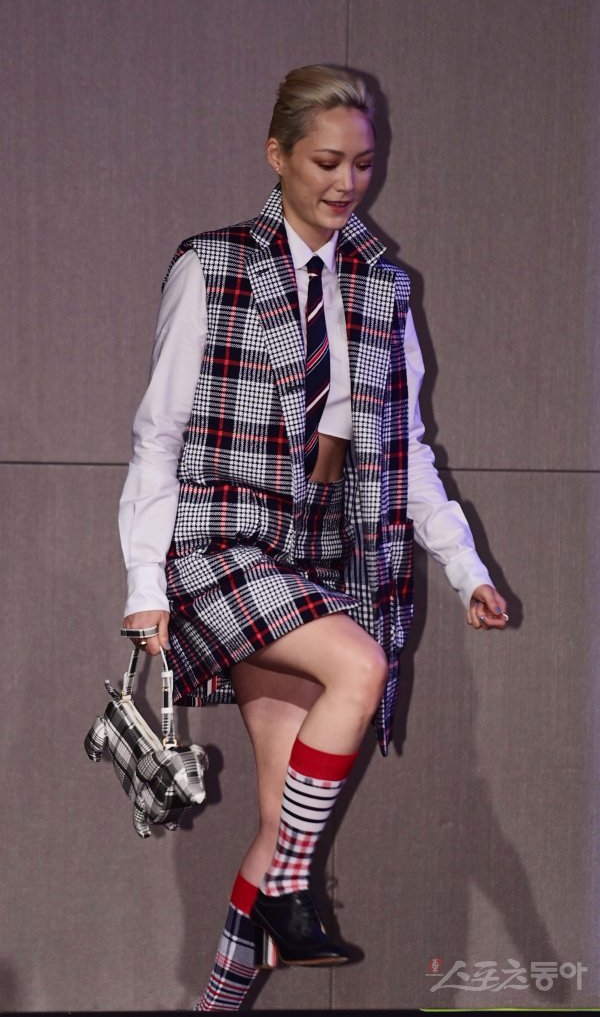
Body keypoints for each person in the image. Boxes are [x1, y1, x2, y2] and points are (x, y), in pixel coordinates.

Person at [119, 64, 508, 1011]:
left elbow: (406, 448)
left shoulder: (384, 288)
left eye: (363, 164)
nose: (347, 182)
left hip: (329, 552)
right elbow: (158, 434)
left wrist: (466, 568)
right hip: (225, 542)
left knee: (276, 817)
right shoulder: (213, 265)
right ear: (278, 155)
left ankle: (219, 997)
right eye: (327, 161)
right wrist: (144, 582)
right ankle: (292, 892)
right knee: (359, 666)